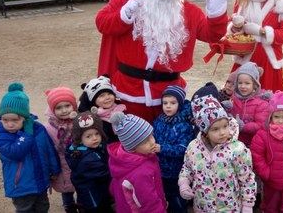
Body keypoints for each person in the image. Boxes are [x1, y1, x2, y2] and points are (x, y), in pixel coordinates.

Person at [96, 0, 229, 124]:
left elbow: (212, 35)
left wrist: (216, 15)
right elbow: (102, 23)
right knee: (133, 144)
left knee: (167, 142)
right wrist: (124, 14)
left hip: (168, 96)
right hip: (129, 90)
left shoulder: (190, 12)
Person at [0, 83, 61, 213]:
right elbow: (15, 152)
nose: (10, 124)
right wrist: (27, 134)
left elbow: (49, 149)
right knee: (25, 209)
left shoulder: (38, 128)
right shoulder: (1, 136)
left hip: (40, 180)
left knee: (43, 207)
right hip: (21, 186)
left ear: (25, 117)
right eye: (5, 120)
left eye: (15, 120)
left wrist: (54, 169)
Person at [179, 94, 257, 212]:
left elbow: (247, 179)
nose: (222, 132)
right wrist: (184, 184)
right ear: (205, 131)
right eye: (215, 129)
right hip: (202, 206)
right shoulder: (194, 148)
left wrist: (247, 205)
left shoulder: (237, 150)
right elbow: (187, 168)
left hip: (229, 208)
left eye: (225, 126)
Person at [108, 112, 167, 212]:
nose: (152, 142)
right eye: (145, 142)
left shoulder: (121, 159)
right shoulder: (141, 172)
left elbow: (113, 188)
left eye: (151, 136)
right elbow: (150, 203)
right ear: (132, 148)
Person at [152, 85, 195, 213]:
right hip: (160, 170)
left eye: (173, 103)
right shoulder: (158, 121)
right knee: (163, 196)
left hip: (176, 172)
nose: (168, 106)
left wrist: (162, 148)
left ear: (180, 104)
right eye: (165, 103)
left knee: (177, 200)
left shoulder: (184, 125)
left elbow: (184, 149)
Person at [66, 110, 112, 212]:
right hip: (94, 199)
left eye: (97, 133)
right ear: (80, 139)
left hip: (96, 192)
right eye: (88, 136)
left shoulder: (93, 147)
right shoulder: (88, 160)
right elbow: (106, 172)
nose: (94, 138)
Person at [43, 87, 80, 212]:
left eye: (67, 105)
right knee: (67, 192)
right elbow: (47, 149)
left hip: (80, 162)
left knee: (82, 189)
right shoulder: (49, 127)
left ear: (74, 105)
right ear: (53, 110)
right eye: (58, 108)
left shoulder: (80, 121)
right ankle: (69, 208)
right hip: (62, 165)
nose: (64, 110)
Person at [226, 62, 271, 146]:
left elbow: (261, 125)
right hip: (234, 140)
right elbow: (229, 116)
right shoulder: (234, 98)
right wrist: (226, 109)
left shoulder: (261, 103)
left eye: (247, 83)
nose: (243, 86)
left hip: (252, 143)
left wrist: (244, 126)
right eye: (240, 83)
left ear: (255, 85)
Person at [79, 75, 125, 143]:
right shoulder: (93, 120)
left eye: (109, 93)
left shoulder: (121, 108)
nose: (107, 97)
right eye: (102, 96)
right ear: (93, 101)